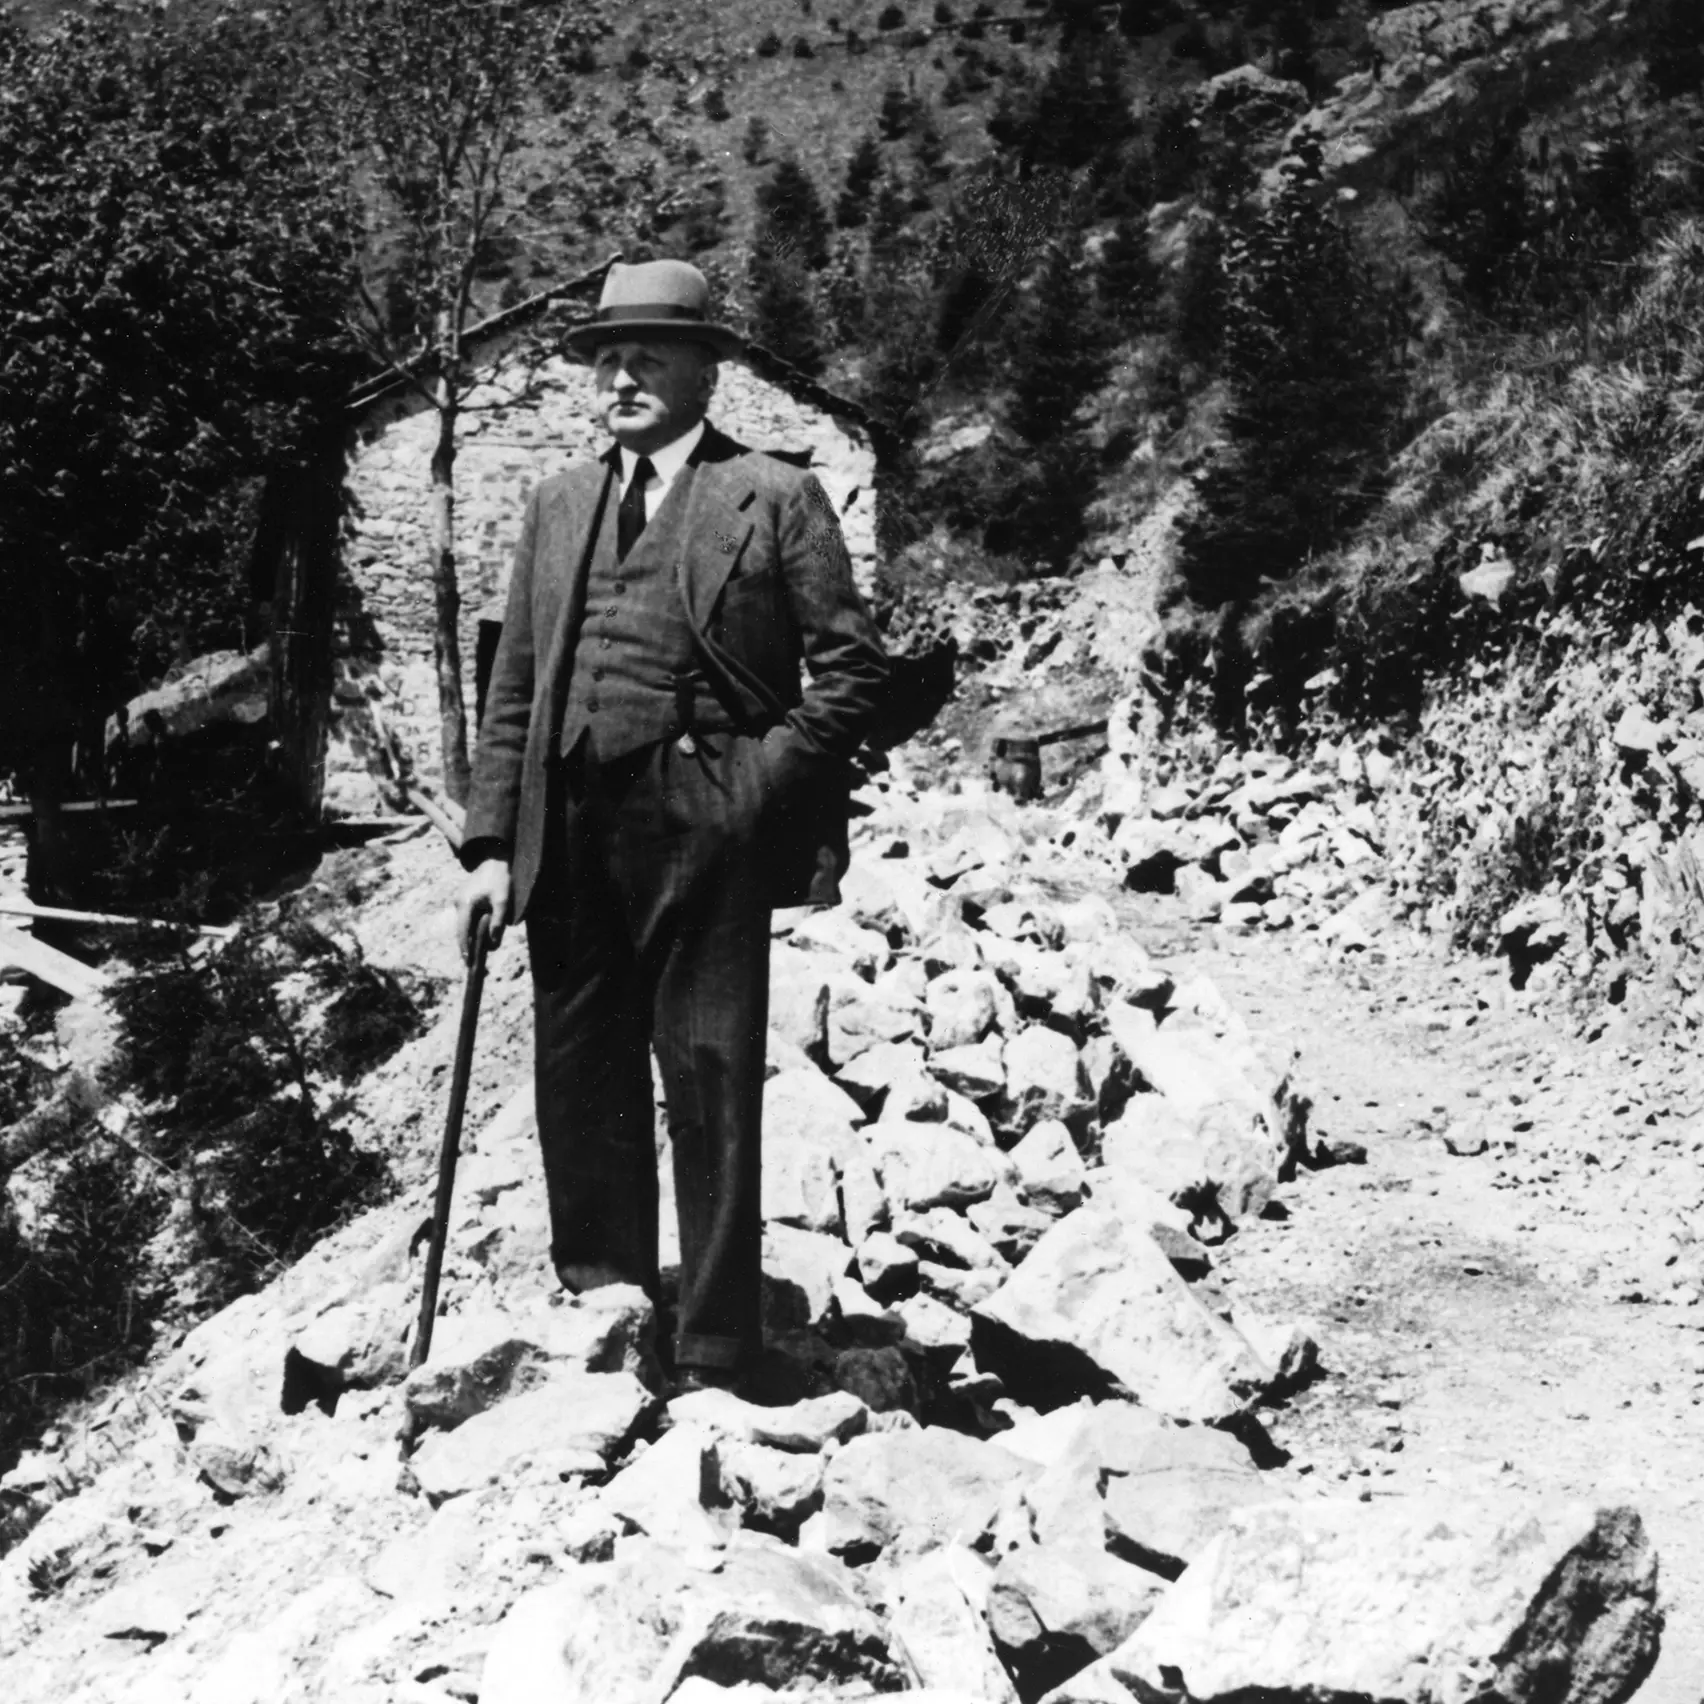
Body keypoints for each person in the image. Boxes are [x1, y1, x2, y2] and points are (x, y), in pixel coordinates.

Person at [455, 259, 891, 1393]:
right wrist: (491, 845)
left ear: (707, 372)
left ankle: (713, 1346)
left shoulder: (773, 494)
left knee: (708, 1071)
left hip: (705, 817)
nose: (622, 378)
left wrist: (756, 784)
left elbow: (853, 672)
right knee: (578, 1064)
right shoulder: (557, 504)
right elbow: (515, 688)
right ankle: (605, 1300)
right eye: (607, 358)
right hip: (568, 816)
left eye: (649, 356)